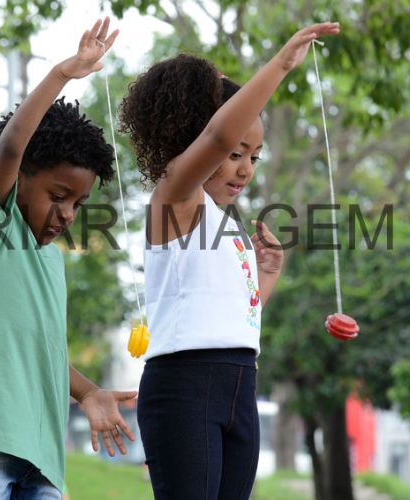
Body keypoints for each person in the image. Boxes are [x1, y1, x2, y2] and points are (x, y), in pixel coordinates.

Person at [118, 22, 340, 499]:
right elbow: (217, 135)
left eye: (255, 156)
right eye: (237, 152)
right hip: (185, 386)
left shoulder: (227, 226)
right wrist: (280, 65)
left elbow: (235, 316)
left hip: (239, 384)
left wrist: (265, 275)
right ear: (196, 143)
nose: (245, 167)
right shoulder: (173, 199)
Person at [0, 17, 136, 499]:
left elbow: (42, 351)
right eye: (58, 195)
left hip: (43, 457)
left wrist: (88, 392)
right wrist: (64, 73)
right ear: (21, 177)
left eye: (78, 205)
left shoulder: (51, 263)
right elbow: (12, 145)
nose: (67, 214)